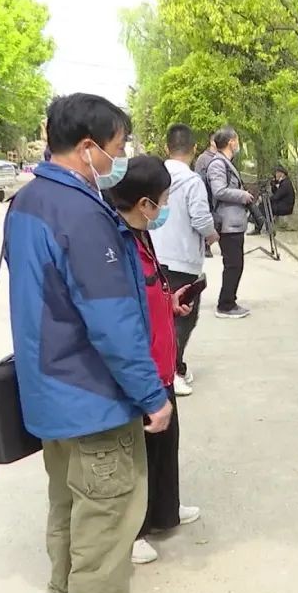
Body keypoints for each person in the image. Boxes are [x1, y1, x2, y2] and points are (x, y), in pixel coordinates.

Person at [5, 93, 173, 593]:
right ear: (86, 148)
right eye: (116, 147)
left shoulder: (27, 202)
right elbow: (111, 322)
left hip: (51, 397)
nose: (117, 159)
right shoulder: (81, 214)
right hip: (94, 404)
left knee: (68, 519)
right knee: (103, 539)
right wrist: (152, 395)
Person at [105, 155, 202, 565]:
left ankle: (165, 509)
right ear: (144, 203)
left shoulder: (141, 236)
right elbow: (120, 317)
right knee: (138, 454)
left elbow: (149, 292)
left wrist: (170, 302)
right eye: (161, 201)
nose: (163, 209)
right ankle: (135, 530)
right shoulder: (115, 242)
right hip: (140, 369)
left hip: (162, 363)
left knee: (166, 445)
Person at [153, 123, 217, 396]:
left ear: (167, 148)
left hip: (155, 256)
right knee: (183, 319)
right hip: (182, 261)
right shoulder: (192, 181)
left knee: (160, 316)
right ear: (193, 149)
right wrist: (213, 235)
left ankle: (173, 366)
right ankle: (172, 371)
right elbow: (201, 218)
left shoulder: (155, 178)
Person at [207, 126, 254, 319]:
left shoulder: (226, 163)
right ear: (231, 142)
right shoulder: (218, 164)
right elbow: (219, 190)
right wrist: (242, 195)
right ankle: (225, 304)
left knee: (235, 264)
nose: (238, 145)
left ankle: (229, 300)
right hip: (227, 222)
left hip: (234, 221)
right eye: (237, 140)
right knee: (233, 264)